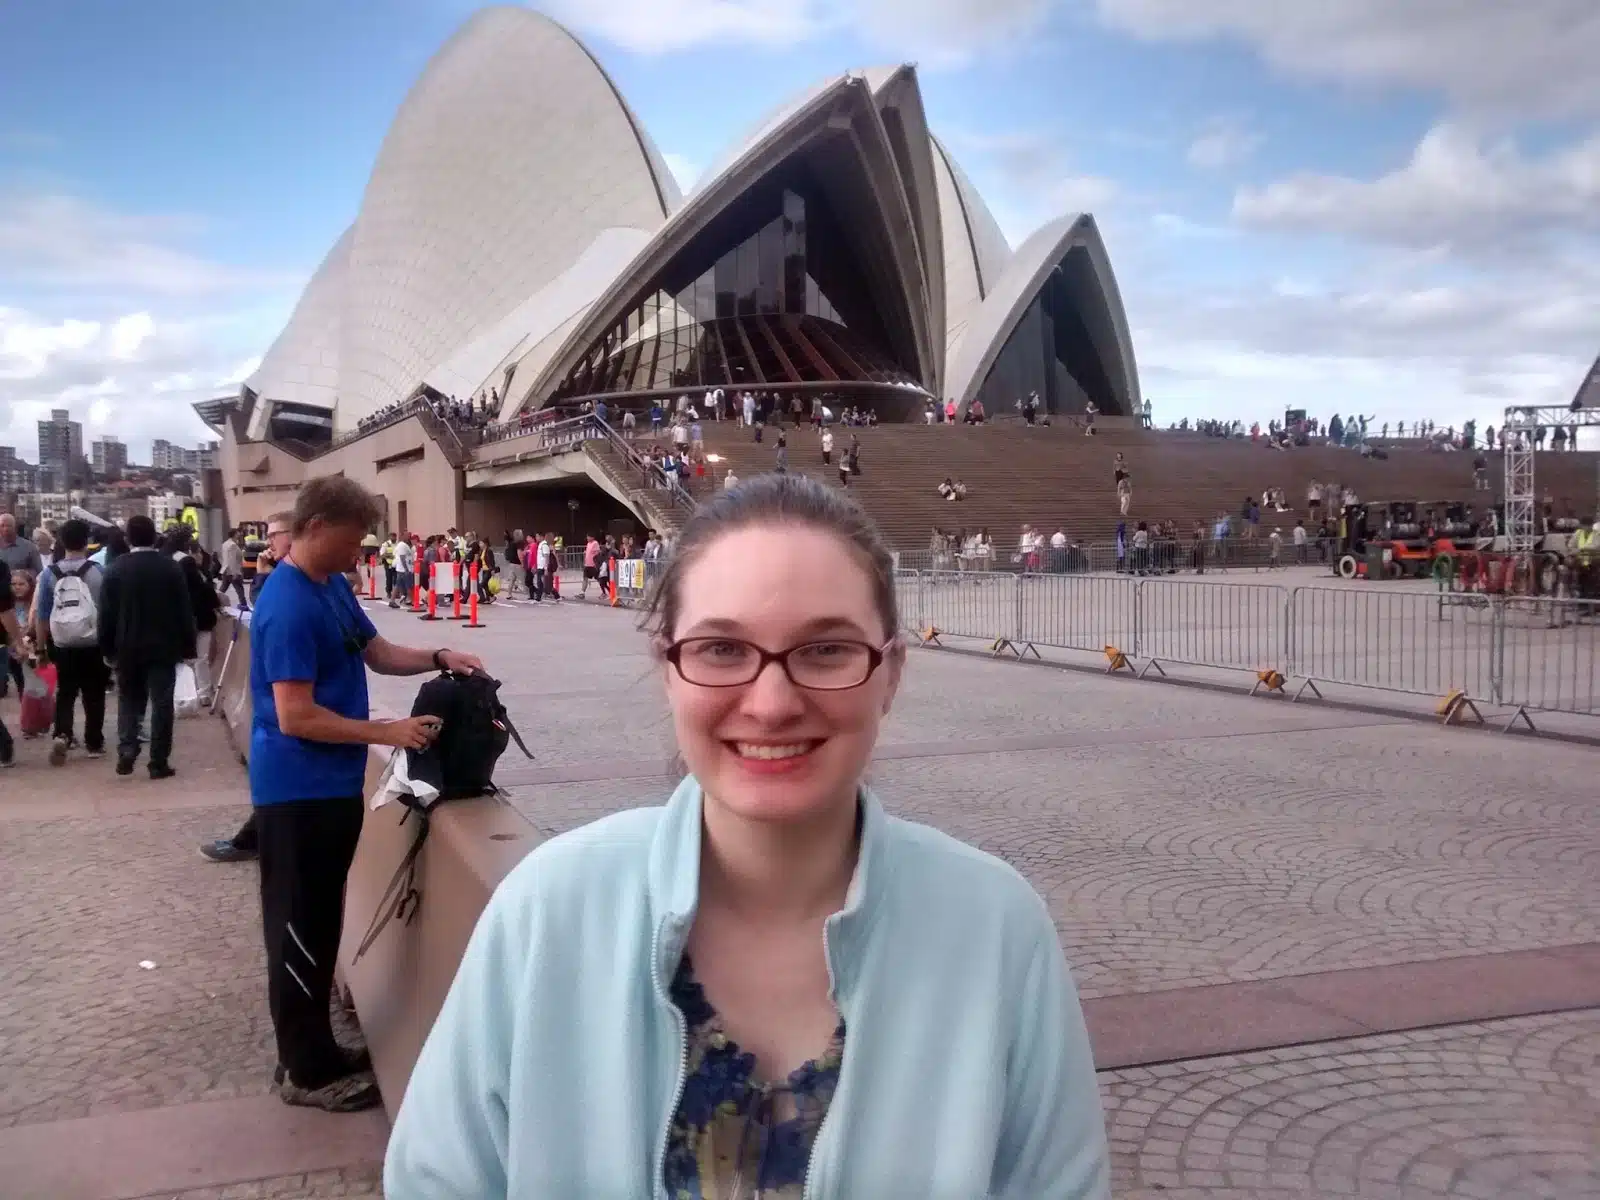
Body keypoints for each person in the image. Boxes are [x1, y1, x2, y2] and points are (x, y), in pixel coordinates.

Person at [384, 474, 1110, 1196]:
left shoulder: (996, 929)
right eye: (722, 650)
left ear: (890, 675)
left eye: (826, 650)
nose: (770, 705)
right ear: (666, 670)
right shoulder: (547, 914)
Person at [249, 476, 483, 1112]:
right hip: (295, 791)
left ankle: (314, 1050)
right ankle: (304, 1071)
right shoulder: (288, 605)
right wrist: (390, 731)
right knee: (298, 926)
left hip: (328, 786)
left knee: (321, 920)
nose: (360, 556)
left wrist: (439, 654)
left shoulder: (328, 589)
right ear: (317, 525)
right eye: (353, 543)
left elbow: (375, 652)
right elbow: (295, 715)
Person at [98, 514, 196, 779]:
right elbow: (183, 611)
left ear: (128, 538)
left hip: (126, 646)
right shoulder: (169, 568)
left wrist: (106, 648)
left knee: (129, 699)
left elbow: (106, 613)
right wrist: (189, 646)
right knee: (162, 703)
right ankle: (158, 761)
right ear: (154, 537)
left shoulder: (115, 569)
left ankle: (127, 748)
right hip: (164, 647)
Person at [33, 519, 108, 765]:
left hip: (62, 643)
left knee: (65, 692)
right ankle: (94, 742)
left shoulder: (48, 574)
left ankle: (63, 734)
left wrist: (41, 648)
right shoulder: (98, 572)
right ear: (86, 541)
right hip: (93, 642)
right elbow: (107, 610)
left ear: (61, 542)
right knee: (94, 693)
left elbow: (42, 615)